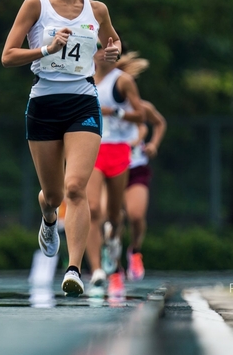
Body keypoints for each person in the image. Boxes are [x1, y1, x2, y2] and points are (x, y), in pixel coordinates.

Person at [1, 0, 122, 296]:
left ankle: (74, 270)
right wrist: (46, 48)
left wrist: (112, 52)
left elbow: (113, 41)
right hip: (43, 103)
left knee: (75, 187)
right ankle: (49, 216)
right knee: (53, 194)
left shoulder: (96, 10)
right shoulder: (35, 6)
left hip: (83, 100)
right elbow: (8, 56)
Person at [86, 50, 146, 298]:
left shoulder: (122, 81)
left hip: (119, 150)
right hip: (92, 146)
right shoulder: (83, 77)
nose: (102, 52)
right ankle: (97, 271)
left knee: (114, 215)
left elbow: (141, 115)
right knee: (91, 209)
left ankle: (116, 246)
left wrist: (116, 112)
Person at [124, 100, 166, 281]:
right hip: (106, 168)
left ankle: (135, 251)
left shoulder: (141, 107)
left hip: (135, 169)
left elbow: (159, 123)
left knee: (136, 215)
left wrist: (153, 144)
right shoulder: (98, 103)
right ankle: (107, 258)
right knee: (104, 215)